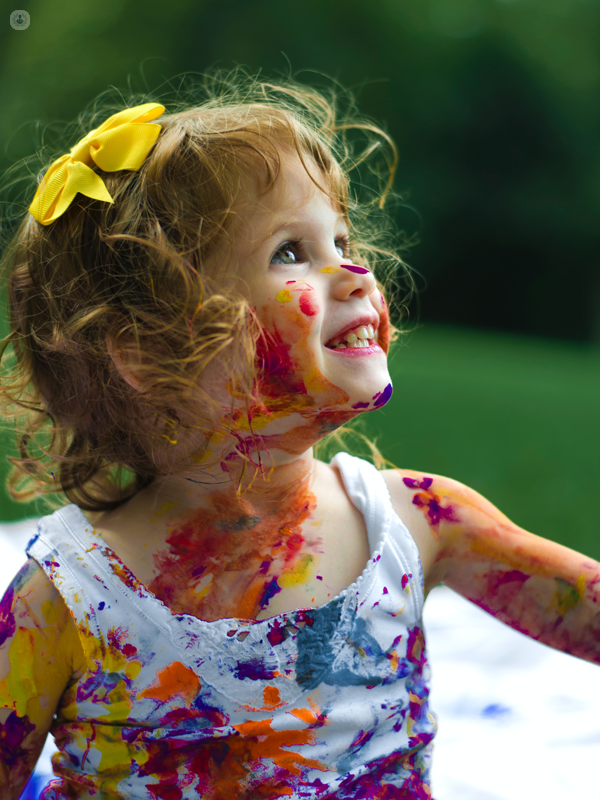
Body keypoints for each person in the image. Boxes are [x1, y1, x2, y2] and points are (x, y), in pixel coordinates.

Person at [0, 72, 598, 800]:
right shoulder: (73, 595)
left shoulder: (416, 523)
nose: (353, 271)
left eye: (341, 239)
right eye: (291, 251)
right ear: (148, 353)